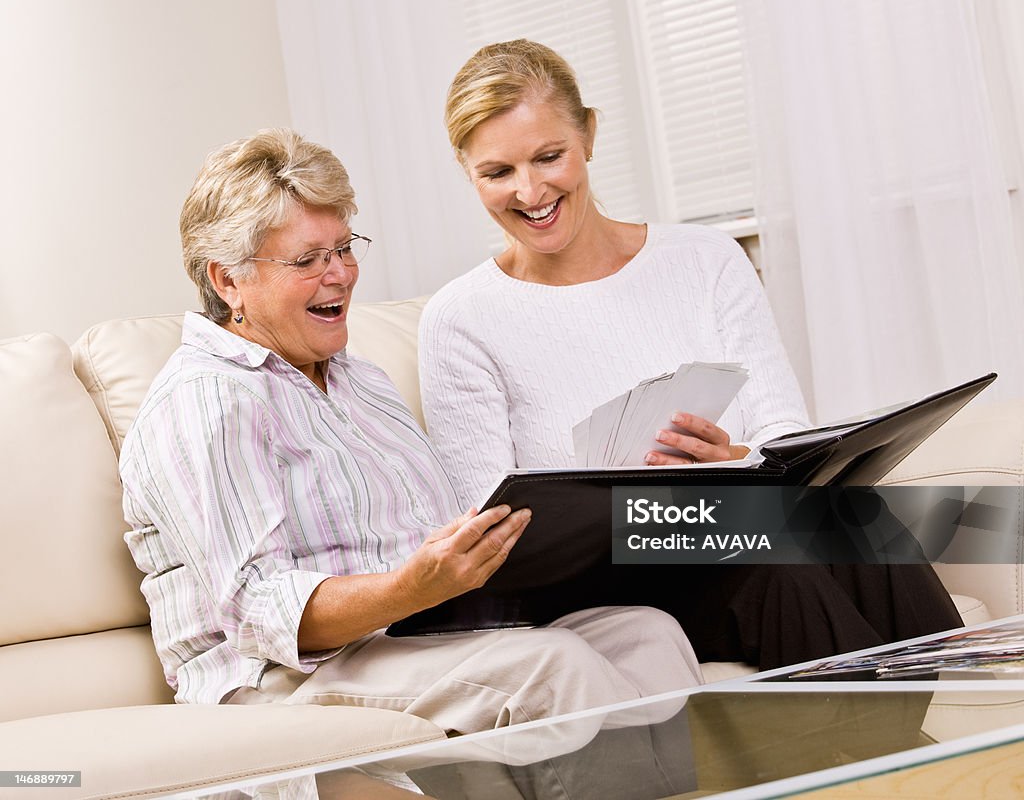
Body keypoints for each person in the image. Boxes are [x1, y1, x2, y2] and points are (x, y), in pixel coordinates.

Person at [118, 128, 703, 741]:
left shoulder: (358, 379)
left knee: (648, 635)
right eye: (307, 259)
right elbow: (255, 610)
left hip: (416, 632)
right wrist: (409, 588)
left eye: (344, 248)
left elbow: (432, 538)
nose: (340, 275)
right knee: (552, 668)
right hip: (280, 680)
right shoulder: (206, 400)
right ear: (228, 281)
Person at [419, 39, 963, 671]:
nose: (530, 190)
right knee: (781, 571)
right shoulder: (460, 320)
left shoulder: (706, 262)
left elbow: (784, 436)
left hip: (730, 524)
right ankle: (904, 764)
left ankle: (988, 731)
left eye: (549, 156)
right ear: (466, 171)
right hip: (610, 578)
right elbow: (495, 531)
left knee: (862, 519)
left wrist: (730, 460)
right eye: (497, 173)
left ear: (589, 135)